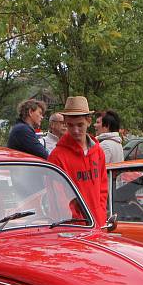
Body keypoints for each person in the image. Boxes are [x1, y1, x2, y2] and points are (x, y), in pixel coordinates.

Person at [48, 96, 108, 225]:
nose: (75, 130)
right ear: (65, 123)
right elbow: (57, 199)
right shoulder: (57, 157)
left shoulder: (98, 152)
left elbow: (103, 189)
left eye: (80, 125)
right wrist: (77, 222)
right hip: (74, 227)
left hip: (98, 224)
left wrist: (101, 214)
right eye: (70, 125)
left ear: (88, 121)